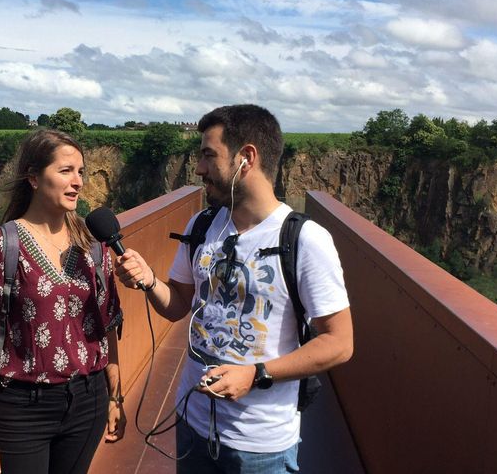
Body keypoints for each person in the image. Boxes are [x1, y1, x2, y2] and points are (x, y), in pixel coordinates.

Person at [115, 104, 353, 473]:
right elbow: (178, 304)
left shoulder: (305, 239)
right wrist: (149, 281)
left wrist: (256, 373)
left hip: (259, 446)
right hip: (192, 420)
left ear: (247, 157)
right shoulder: (202, 224)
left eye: (209, 155)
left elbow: (339, 343)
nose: (199, 169)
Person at [0, 129, 126, 474]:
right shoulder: (3, 245)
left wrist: (113, 396)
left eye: (81, 172)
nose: (77, 182)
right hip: (21, 408)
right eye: (65, 171)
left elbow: (107, 326)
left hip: (87, 399)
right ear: (33, 177)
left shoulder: (93, 246)